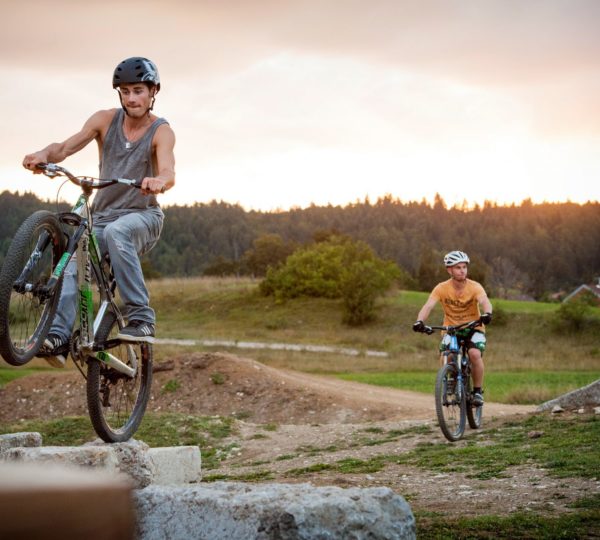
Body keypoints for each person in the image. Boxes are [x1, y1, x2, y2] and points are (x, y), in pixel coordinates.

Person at [22, 57, 175, 367]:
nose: (131, 98)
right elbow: (64, 147)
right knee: (73, 261)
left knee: (120, 232)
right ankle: (58, 336)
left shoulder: (161, 131)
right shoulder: (104, 120)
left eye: (138, 91)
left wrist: (158, 181)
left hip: (142, 217)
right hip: (102, 218)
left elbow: (170, 171)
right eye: (125, 91)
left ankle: (142, 318)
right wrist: (43, 155)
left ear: (153, 92)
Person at [412, 250, 492, 406]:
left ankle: (477, 391)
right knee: (447, 355)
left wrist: (487, 313)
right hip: (451, 328)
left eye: (464, 267)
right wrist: (419, 321)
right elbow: (428, 306)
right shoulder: (441, 288)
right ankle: (450, 378)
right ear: (449, 270)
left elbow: (484, 301)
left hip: (473, 327)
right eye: (458, 267)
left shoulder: (475, 287)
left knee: (474, 354)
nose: (462, 270)